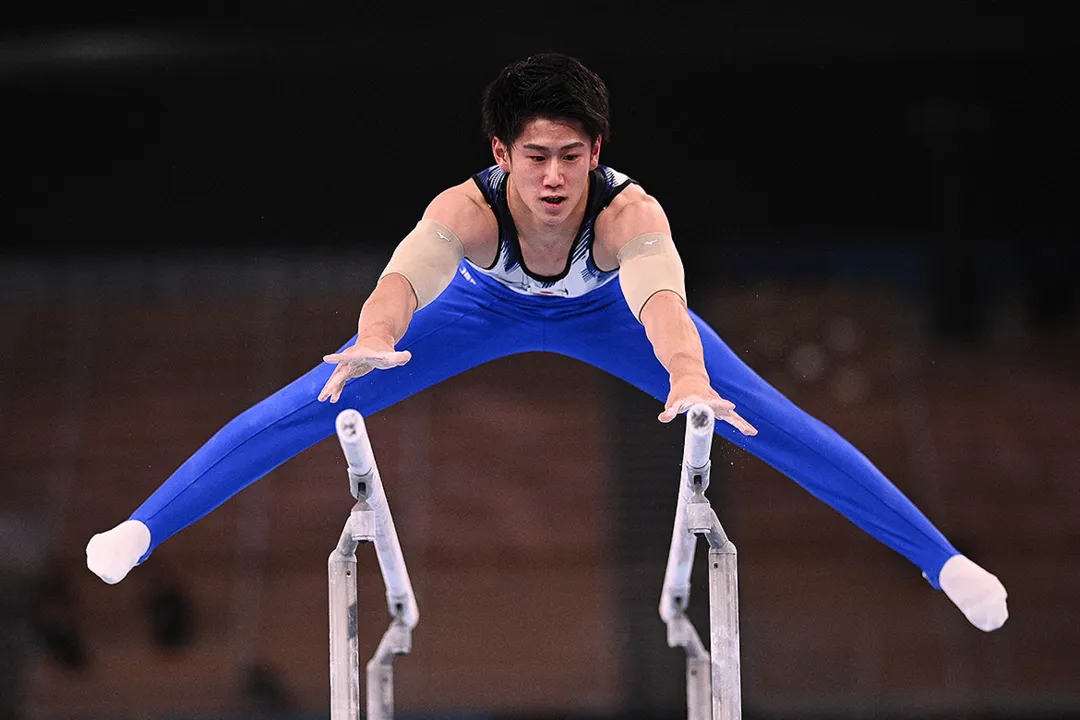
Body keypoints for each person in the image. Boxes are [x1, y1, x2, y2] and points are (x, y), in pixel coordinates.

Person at [86, 53, 1007, 632]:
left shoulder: (629, 212)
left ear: (598, 151)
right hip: (481, 312)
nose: (556, 176)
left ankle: (944, 561)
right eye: (536, 156)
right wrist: (372, 340)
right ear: (502, 155)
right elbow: (403, 279)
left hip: (617, 317)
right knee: (321, 399)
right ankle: (142, 527)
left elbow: (660, 298)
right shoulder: (465, 209)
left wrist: (687, 375)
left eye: (573, 155)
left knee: (763, 419)